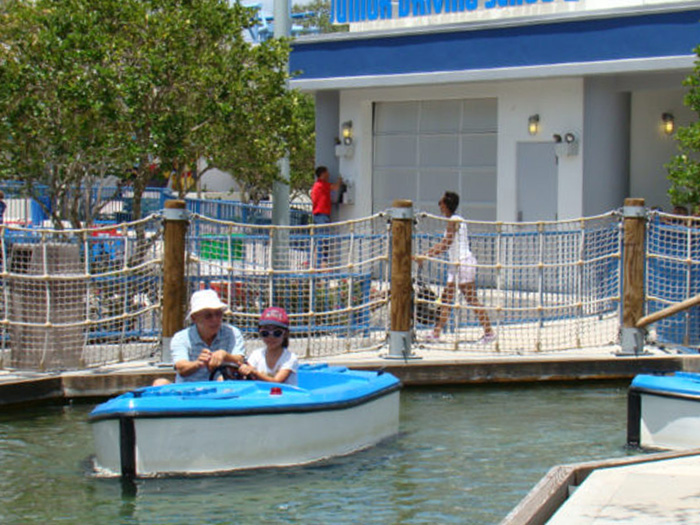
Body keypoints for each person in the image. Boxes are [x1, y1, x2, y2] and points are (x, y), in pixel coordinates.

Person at [417, 191, 495, 344]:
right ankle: (436, 333)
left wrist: (425, 255)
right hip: (455, 265)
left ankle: (489, 332)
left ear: (446, 205)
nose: (439, 205)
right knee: (446, 299)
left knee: (471, 299)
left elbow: (446, 244)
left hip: (463, 262)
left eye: (441, 202)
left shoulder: (454, 220)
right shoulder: (454, 220)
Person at [154, 289, 246, 385]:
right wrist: (198, 363)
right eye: (208, 316)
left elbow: (240, 360)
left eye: (218, 314)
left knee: (222, 379)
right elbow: (181, 367)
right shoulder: (181, 338)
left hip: (222, 388)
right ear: (194, 318)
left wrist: (225, 356)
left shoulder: (232, 333)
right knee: (159, 383)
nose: (215, 319)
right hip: (188, 390)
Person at [238, 307, 299, 386]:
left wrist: (254, 372)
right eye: (265, 333)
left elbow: (277, 382)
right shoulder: (256, 355)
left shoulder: (290, 358)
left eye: (277, 333)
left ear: (285, 334)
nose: (271, 337)